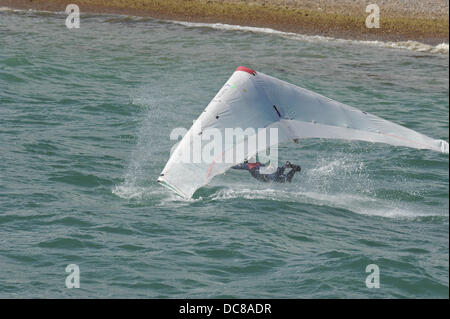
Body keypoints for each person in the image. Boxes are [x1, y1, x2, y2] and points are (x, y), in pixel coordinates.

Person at [231, 160, 301, 183]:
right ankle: (291, 168)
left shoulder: (250, 165)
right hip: (268, 175)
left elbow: (235, 166)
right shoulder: (256, 164)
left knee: (283, 178)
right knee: (286, 179)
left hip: (267, 177)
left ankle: (287, 167)